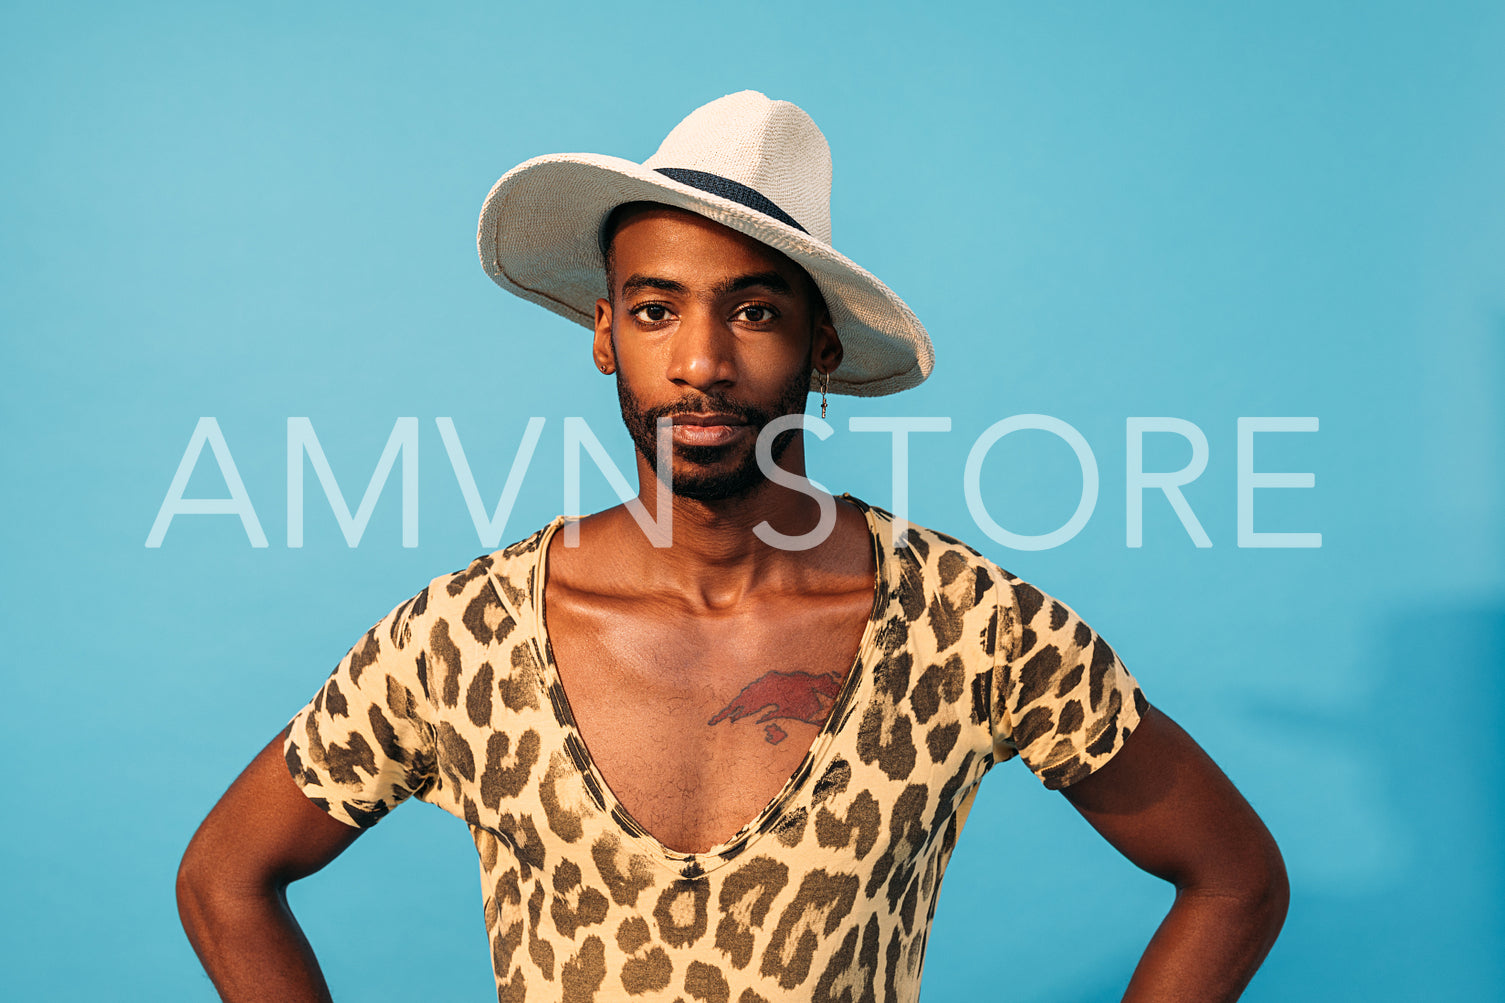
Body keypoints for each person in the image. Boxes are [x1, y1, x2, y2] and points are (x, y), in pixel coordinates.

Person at [177, 91, 1288, 1003]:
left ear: (820, 343)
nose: (701, 360)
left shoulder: (970, 625)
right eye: (657, 310)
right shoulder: (466, 636)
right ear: (605, 334)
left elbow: (1233, 878)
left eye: (752, 311)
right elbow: (226, 876)